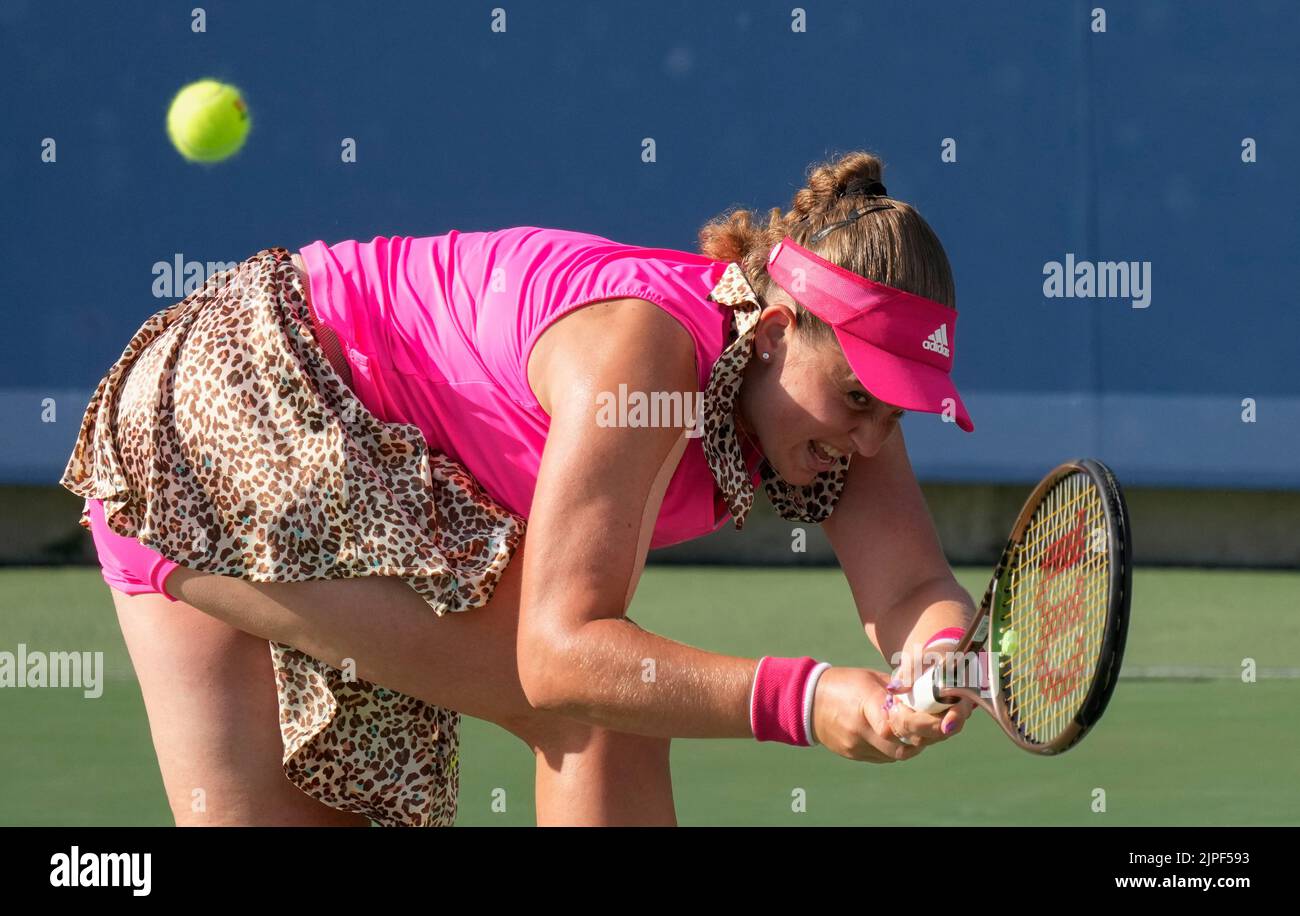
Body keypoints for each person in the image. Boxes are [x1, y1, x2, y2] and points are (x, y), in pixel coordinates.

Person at [61, 150, 978, 827]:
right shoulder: (646, 359)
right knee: (600, 717)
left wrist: (940, 653)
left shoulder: (838, 415)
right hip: (232, 410)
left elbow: (909, 590)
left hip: (216, 445)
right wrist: (807, 698)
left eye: (900, 410)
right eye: (860, 396)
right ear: (774, 331)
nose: (870, 435)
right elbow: (561, 659)